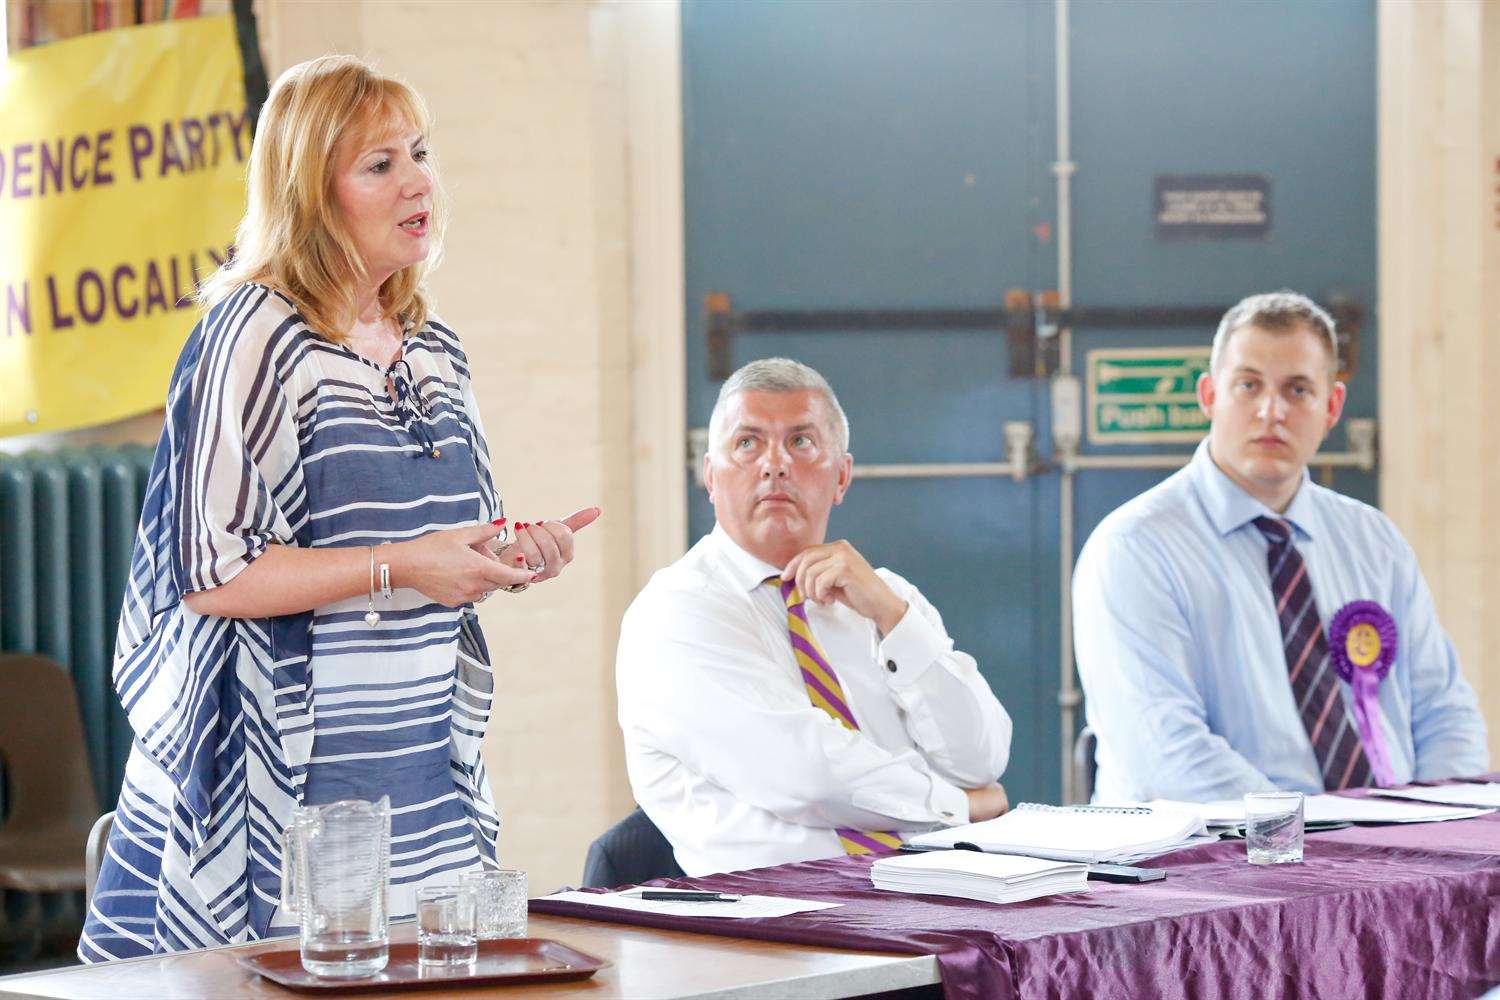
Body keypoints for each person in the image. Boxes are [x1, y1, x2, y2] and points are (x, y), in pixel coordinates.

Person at [79, 56, 599, 961]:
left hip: (422, 782)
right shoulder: (254, 332)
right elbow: (212, 571)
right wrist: (402, 567)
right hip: (285, 791)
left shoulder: (437, 348)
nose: (418, 181)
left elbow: (452, 541)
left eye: (421, 153)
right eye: (379, 164)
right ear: (311, 193)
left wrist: (515, 554)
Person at [1074, 290, 1487, 804]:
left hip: (1395, 860)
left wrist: (1439, 828)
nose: (1271, 412)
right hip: (1210, 864)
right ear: (1209, 396)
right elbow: (1167, 754)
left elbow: (1443, 711)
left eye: (1297, 390)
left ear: (1331, 406)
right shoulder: (1134, 549)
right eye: (1248, 385)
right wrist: (1321, 840)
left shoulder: (1373, 540)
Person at [616, 358, 1011, 876]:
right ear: (710, 477)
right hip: (772, 926)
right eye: (747, 443)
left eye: (801, 442)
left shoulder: (887, 594)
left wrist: (894, 618)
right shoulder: (676, 611)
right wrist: (955, 806)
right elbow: (805, 772)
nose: (774, 464)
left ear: (841, 475)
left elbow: (980, 760)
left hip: (929, 897)